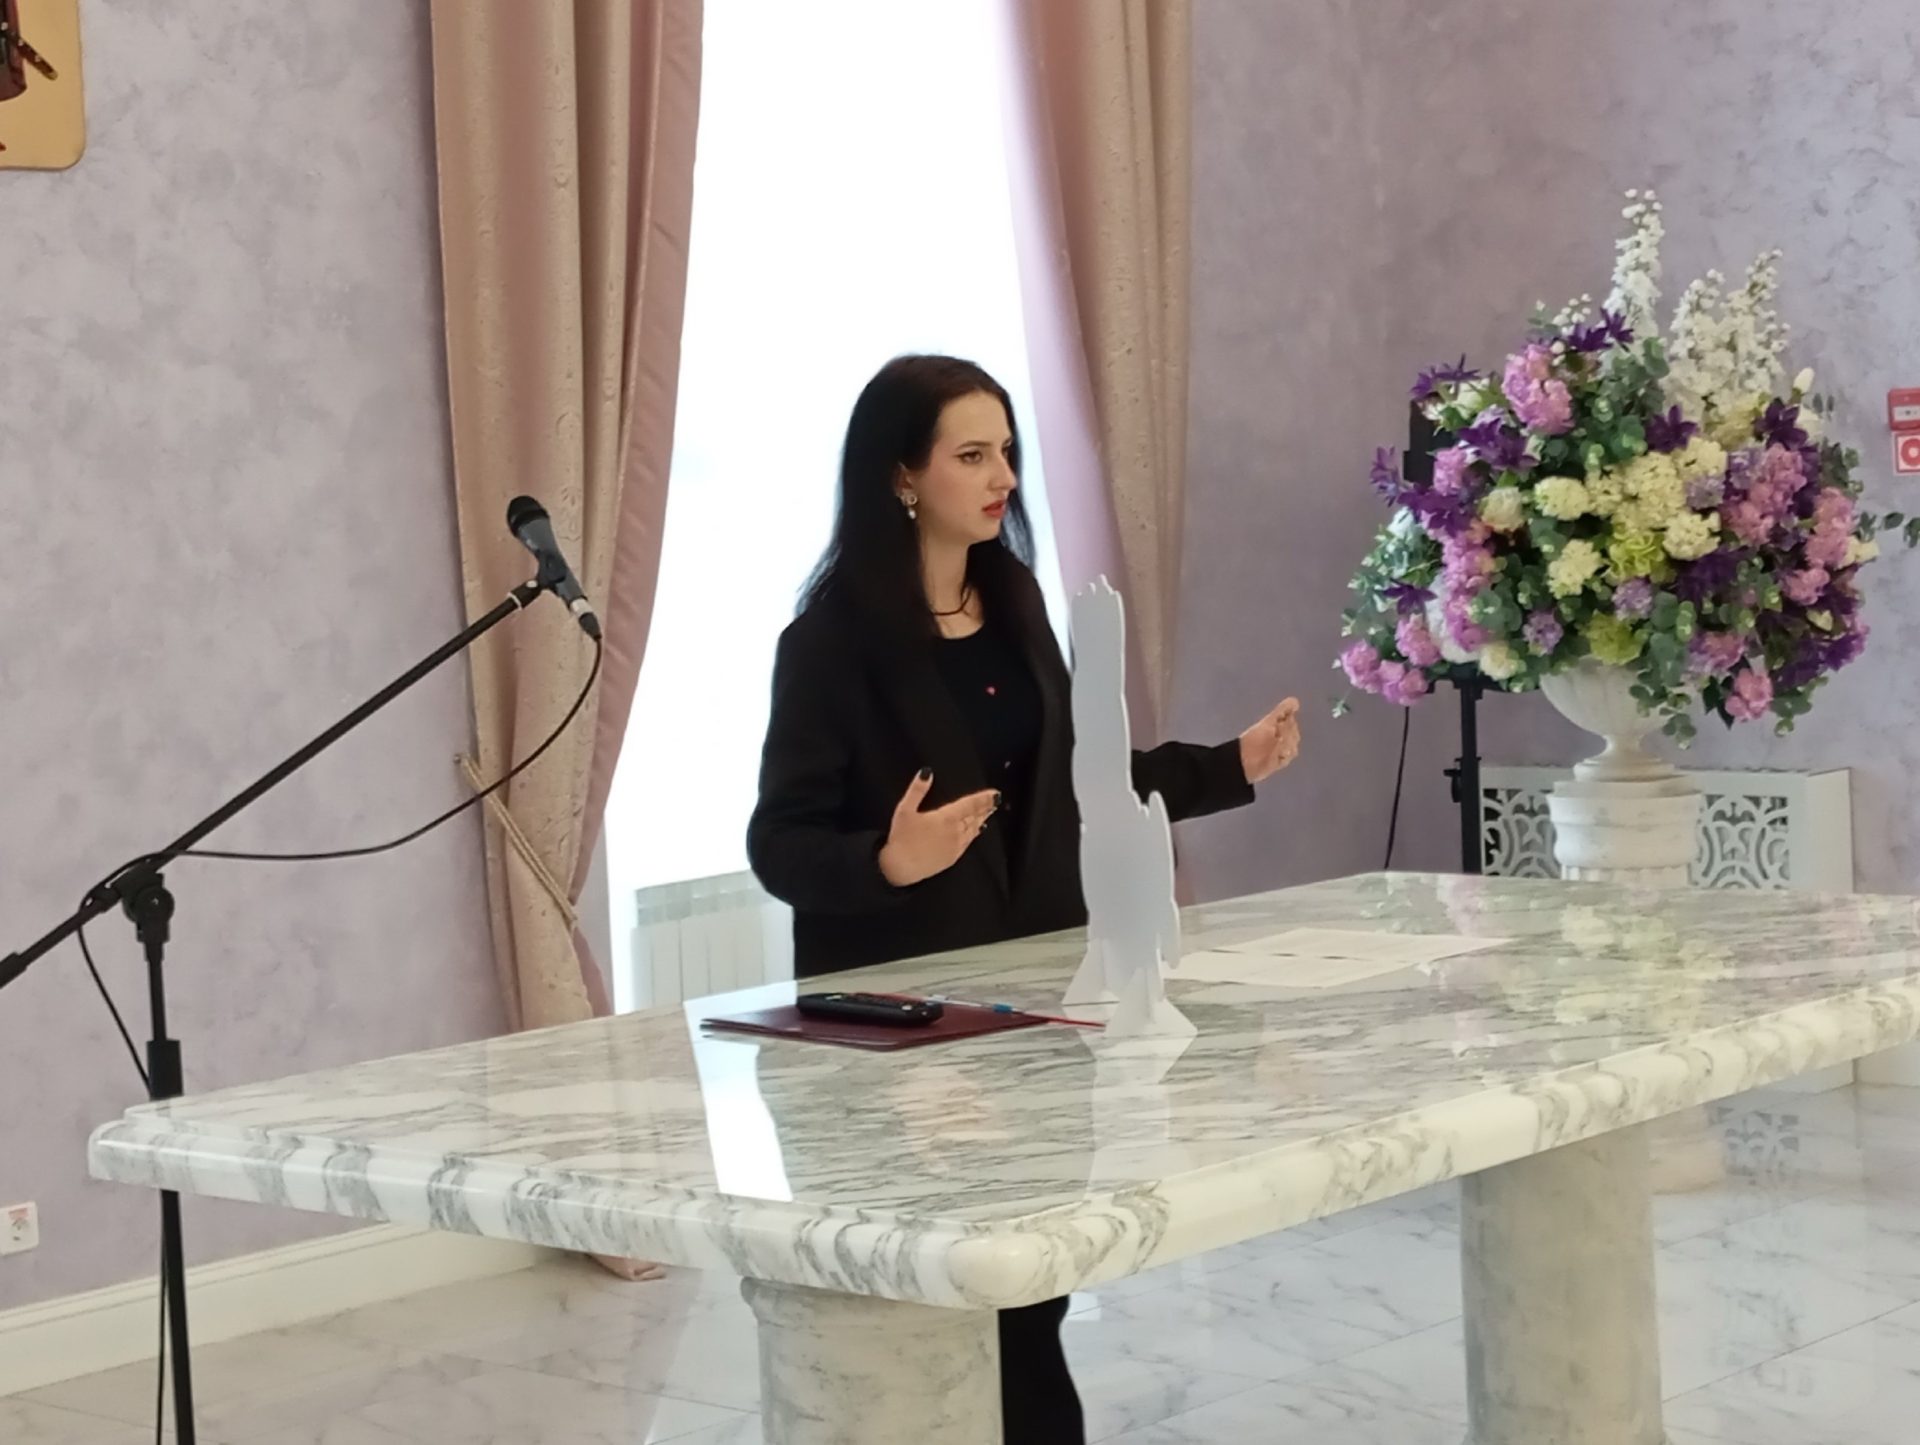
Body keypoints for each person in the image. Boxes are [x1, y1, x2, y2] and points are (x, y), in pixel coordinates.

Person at [746, 354, 1301, 1445]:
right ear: (902, 474)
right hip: (907, 1042)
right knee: (934, 1324)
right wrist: (886, 861)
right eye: (972, 454)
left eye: (1007, 451)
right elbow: (780, 843)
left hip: (1038, 1012)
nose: (1004, 475)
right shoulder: (828, 645)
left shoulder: (1015, 603)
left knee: (1030, 1308)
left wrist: (1224, 766)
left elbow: (1080, 781)